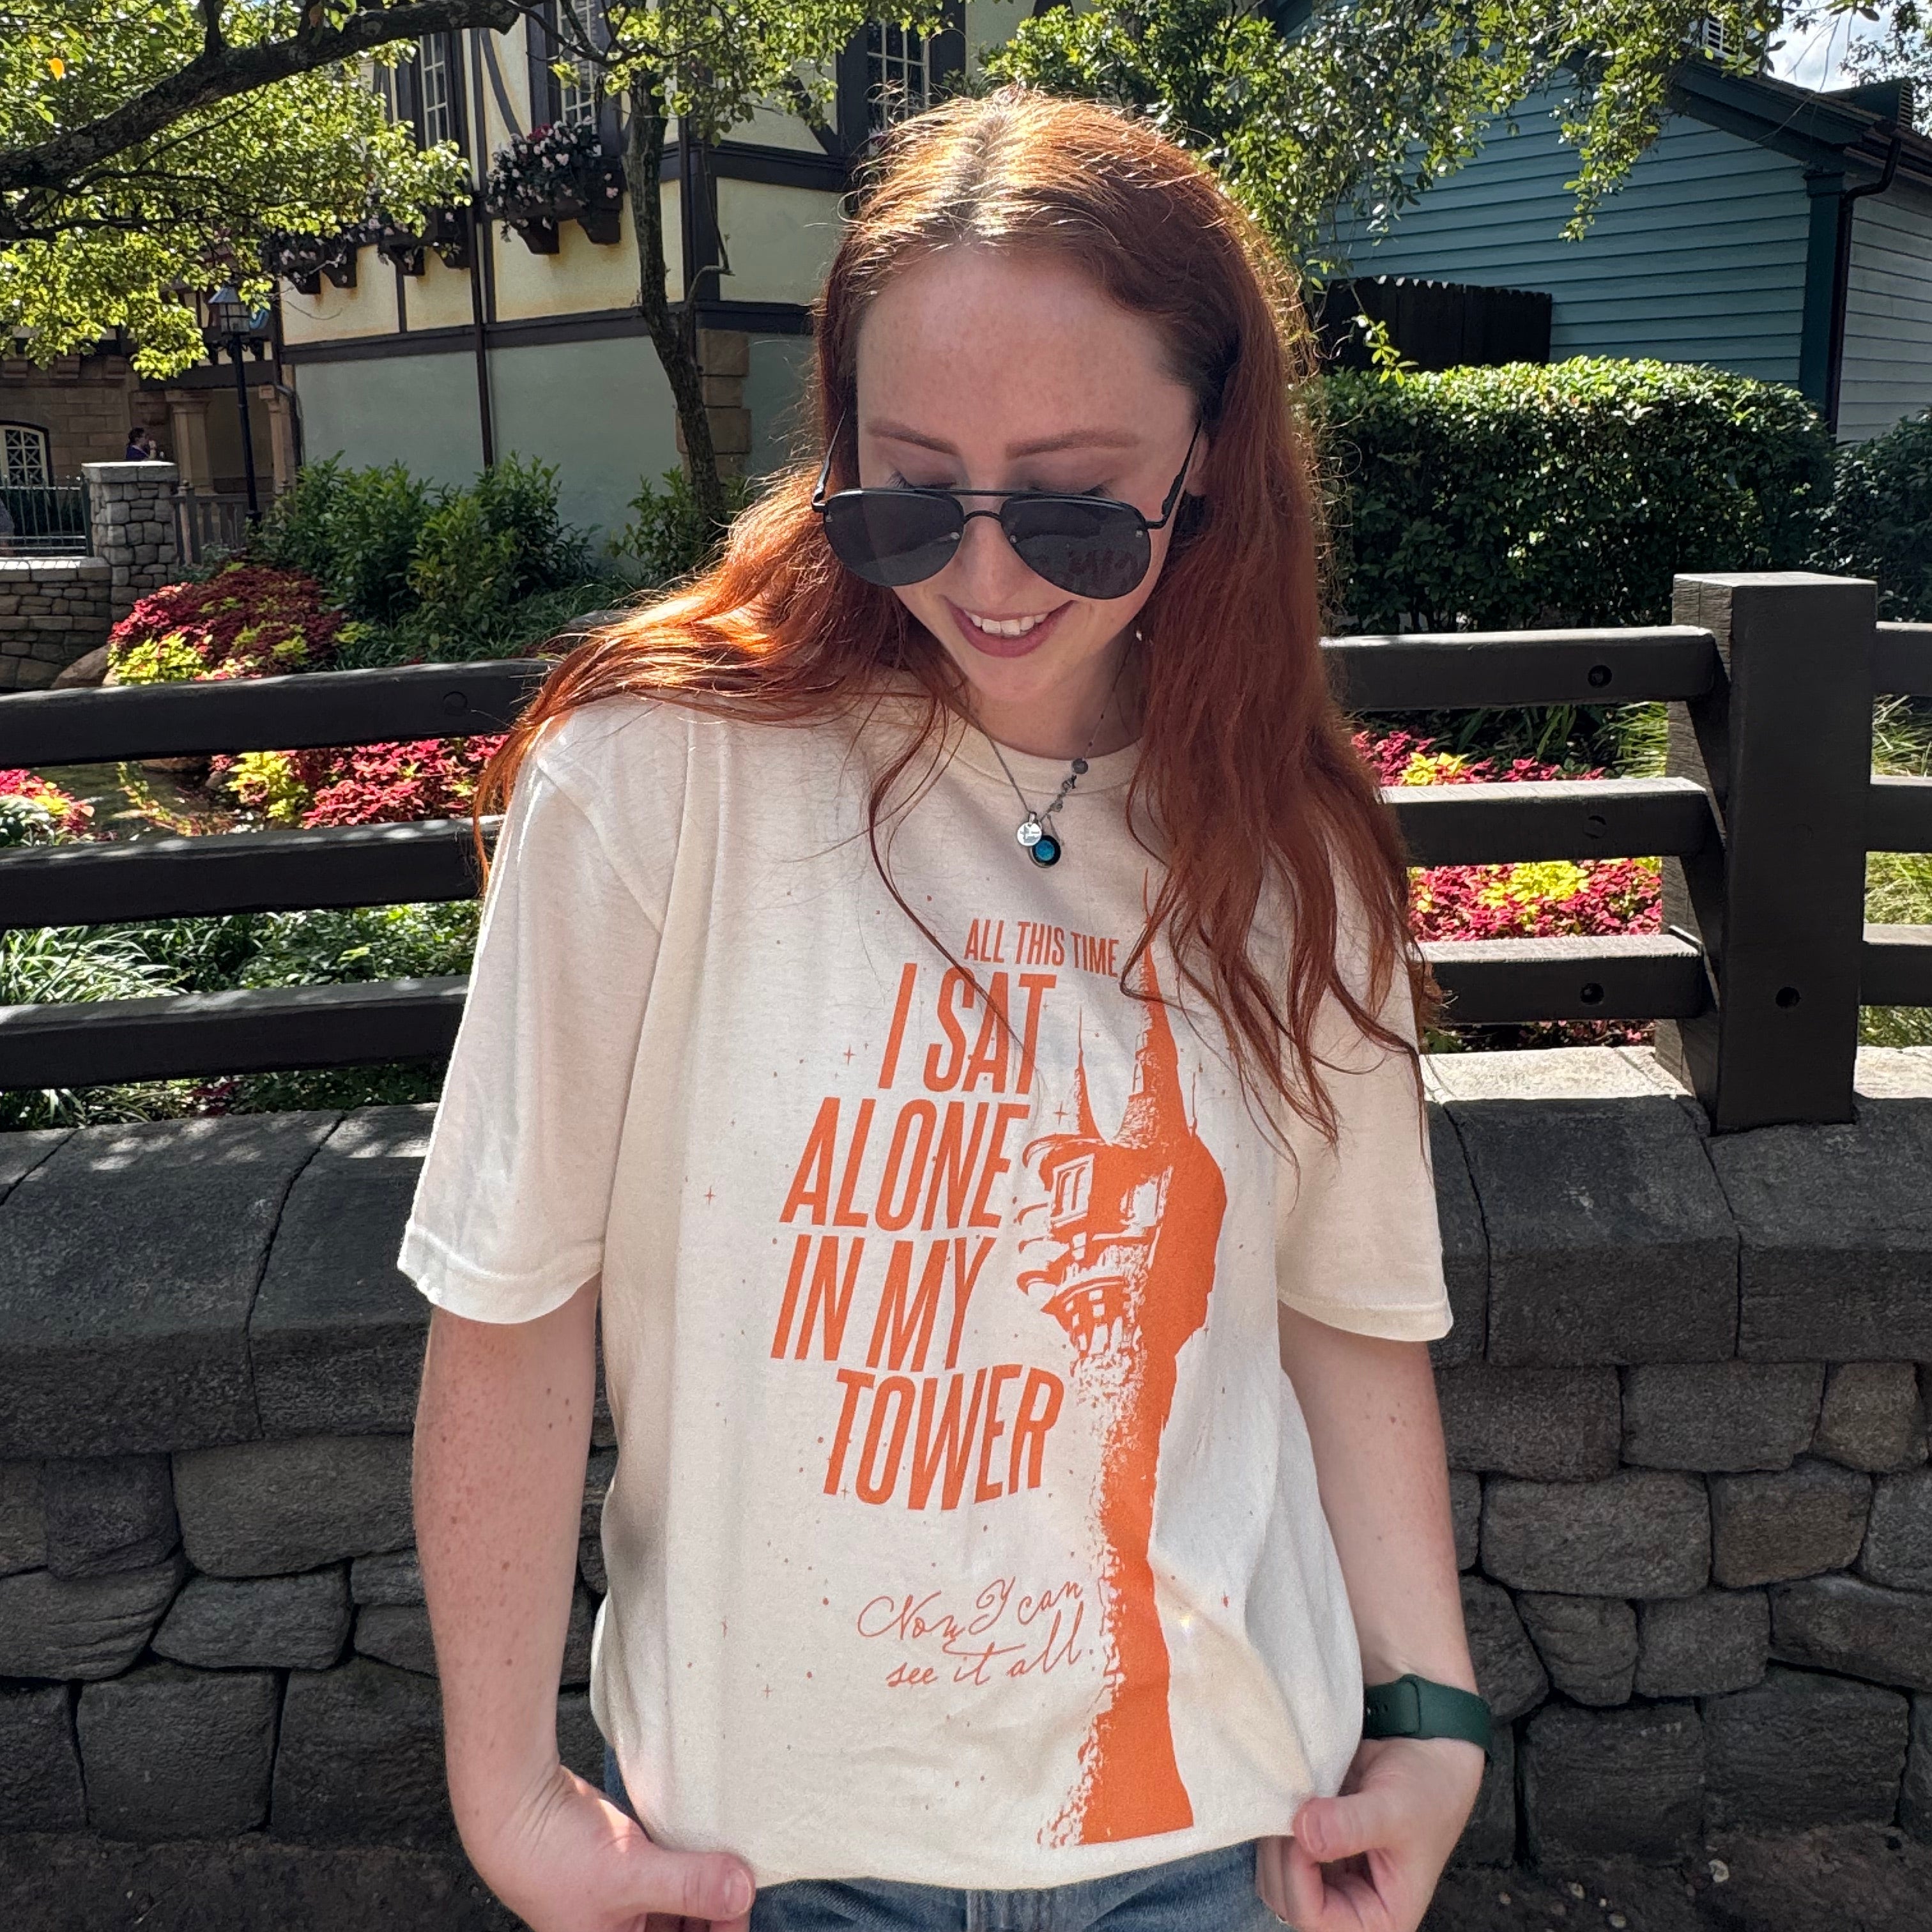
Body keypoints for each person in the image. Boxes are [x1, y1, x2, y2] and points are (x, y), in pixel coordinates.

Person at [404, 86, 1486, 1932]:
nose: (987, 580)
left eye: (1076, 512)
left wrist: (1432, 1716)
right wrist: (505, 1792)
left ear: (1210, 451)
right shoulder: (656, 777)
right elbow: (512, 1298)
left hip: (1226, 1838)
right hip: (780, 1862)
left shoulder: (1286, 847)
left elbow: (1348, 1308)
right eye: (910, 495)